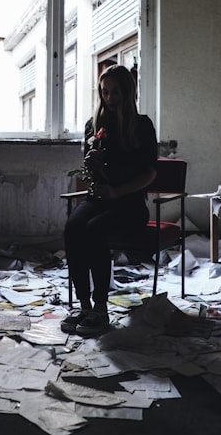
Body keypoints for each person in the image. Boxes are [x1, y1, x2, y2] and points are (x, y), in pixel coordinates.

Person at [61, 64, 158, 336]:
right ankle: (84, 305)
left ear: (127, 93)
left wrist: (117, 192)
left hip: (130, 204)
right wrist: (91, 163)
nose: (110, 98)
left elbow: (150, 173)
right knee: (73, 227)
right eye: (105, 93)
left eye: (116, 92)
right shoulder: (93, 126)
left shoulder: (142, 125)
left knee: (94, 230)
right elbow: (91, 175)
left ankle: (101, 308)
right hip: (100, 198)